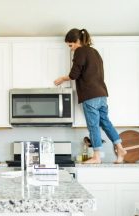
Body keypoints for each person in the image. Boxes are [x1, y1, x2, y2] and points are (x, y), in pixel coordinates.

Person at [54, 28, 127, 164]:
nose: (71, 49)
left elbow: (74, 74)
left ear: (77, 41)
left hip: (90, 95)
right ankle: (120, 149)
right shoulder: (95, 52)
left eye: (71, 45)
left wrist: (62, 79)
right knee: (105, 123)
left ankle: (96, 157)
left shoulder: (80, 51)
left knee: (93, 126)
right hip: (102, 94)